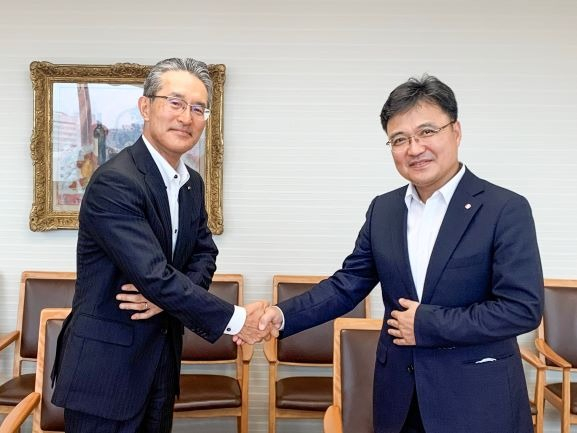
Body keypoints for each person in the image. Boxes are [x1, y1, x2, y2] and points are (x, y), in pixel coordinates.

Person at [255, 75, 544, 433]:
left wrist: (426, 324)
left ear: (456, 131)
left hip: (477, 400)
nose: (414, 148)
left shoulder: (505, 208)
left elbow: (521, 309)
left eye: (427, 132)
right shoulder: (385, 210)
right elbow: (348, 284)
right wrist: (281, 315)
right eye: (399, 139)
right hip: (399, 396)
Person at [51, 58, 272, 433]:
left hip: (160, 364)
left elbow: (205, 253)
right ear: (145, 107)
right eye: (175, 102)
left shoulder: (191, 183)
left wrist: (163, 297)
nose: (186, 117)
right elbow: (152, 273)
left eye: (198, 108)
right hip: (105, 372)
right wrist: (237, 320)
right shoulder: (114, 182)